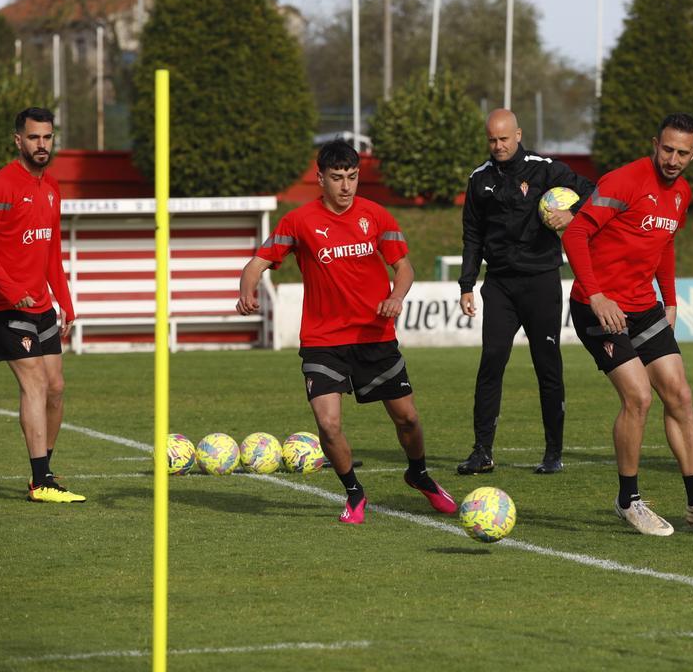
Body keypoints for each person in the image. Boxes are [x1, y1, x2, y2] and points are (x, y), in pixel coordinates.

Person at [237, 139, 455, 524]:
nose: (345, 186)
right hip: (323, 342)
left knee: (407, 419)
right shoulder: (298, 221)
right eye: (337, 178)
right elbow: (257, 263)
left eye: (352, 177)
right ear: (320, 177)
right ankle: (354, 492)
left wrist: (397, 296)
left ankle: (418, 473)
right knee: (329, 423)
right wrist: (247, 289)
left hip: (375, 337)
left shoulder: (378, 216)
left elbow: (403, 267)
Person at [561, 112, 693, 537]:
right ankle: (629, 500)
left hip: (644, 306)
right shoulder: (623, 181)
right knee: (639, 397)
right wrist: (598, 294)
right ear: (654, 143)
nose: (673, 159)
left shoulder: (682, 194)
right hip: (597, 306)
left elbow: (665, 245)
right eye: (667, 149)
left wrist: (671, 301)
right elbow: (575, 235)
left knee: (679, 393)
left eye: (682, 153)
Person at [456, 108, 595, 476]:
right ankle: (482, 451)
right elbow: (472, 234)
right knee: (491, 363)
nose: (498, 146)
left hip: (541, 281)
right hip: (499, 285)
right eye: (491, 140)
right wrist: (467, 283)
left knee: (547, 366)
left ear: (518, 135)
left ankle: (553, 453)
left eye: (504, 139)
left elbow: (594, 194)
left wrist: (574, 213)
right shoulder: (479, 180)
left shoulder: (545, 168)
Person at [0, 108, 82, 503]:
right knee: (33, 382)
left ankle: (44, 470)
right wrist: (13, 290)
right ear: (18, 140)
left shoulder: (52, 187)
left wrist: (64, 300)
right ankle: (40, 481)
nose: (42, 144)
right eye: (34, 137)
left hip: (42, 304)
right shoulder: (0, 186)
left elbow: (50, 250)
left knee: (56, 388)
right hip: (5, 304)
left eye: (47, 137)